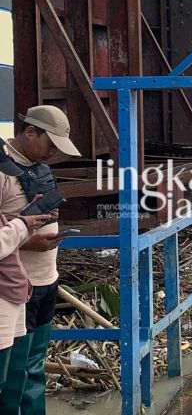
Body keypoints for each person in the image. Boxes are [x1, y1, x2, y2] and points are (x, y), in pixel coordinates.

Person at [0, 105, 81, 414]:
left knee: (35, 369)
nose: (52, 154)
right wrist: (30, 240)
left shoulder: (41, 169)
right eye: (50, 144)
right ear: (30, 131)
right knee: (14, 375)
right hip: (18, 290)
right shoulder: (3, 171)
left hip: (47, 280)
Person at [0, 143, 51, 396]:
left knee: (29, 367)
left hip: (22, 288)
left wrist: (28, 223)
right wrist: (23, 227)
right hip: (9, 292)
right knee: (13, 377)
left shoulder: (41, 169)